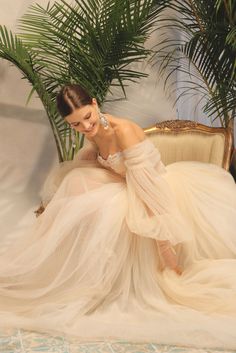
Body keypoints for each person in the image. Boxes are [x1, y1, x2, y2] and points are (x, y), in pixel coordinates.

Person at [0, 83, 236, 349]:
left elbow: (147, 186)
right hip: (126, 183)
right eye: (76, 125)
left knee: (103, 210)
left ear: (95, 103)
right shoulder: (90, 132)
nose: (86, 128)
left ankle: (101, 282)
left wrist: (163, 243)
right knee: (75, 183)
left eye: (88, 118)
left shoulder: (123, 130)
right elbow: (94, 160)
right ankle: (67, 275)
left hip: (154, 192)